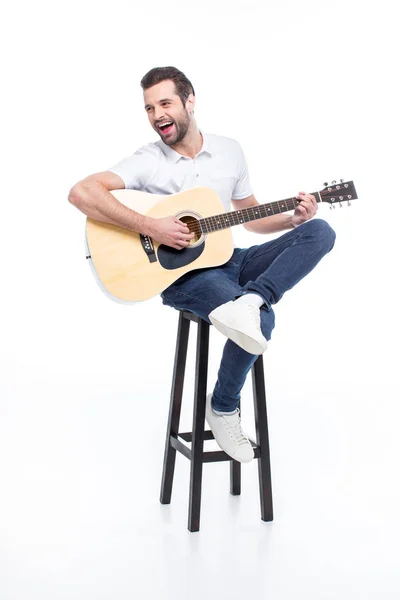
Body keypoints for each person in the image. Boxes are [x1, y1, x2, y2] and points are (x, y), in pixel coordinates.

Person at [68, 66, 336, 464]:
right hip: (185, 278)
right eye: (148, 108)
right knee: (261, 323)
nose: (156, 114)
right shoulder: (148, 161)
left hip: (231, 258)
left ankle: (254, 298)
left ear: (189, 101)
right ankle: (224, 407)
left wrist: (290, 219)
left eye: (165, 103)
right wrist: (151, 226)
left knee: (320, 231)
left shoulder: (230, 151)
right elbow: (81, 192)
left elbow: (249, 216)